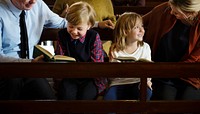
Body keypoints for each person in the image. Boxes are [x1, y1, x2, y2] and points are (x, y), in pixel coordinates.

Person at [0, 0, 68, 99]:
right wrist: (30, 62)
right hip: (5, 71)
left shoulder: (39, 5)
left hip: (30, 70)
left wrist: (95, 24)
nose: (33, 1)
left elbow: (63, 23)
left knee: (49, 102)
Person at [143, 0, 200, 100]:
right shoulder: (167, 8)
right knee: (165, 101)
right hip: (163, 73)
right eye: (171, 9)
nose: (171, 12)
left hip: (191, 75)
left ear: (191, 13)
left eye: (176, 12)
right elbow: (136, 22)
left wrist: (173, 70)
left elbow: (194, 59)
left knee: (188, 102)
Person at [55, 1, 107, 100]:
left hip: (89, 77)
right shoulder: (62, 35)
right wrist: (58, 83)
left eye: (79, 28)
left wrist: (100, 88)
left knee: (86, 97)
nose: (74, 32)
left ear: (89, 26)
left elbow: (97, 64)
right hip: (69, 76)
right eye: (70, 26)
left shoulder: (93, 37)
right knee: (66, 95)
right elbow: (60, 60)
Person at [103, 12, 152, 100]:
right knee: (109, 99)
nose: (142, 30)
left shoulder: (145, 47)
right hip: (118, 83)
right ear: (125, 31)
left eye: (142, 26)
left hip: (138, 82)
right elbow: (113, 74)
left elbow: (148, 68)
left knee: (146, 93)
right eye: (137, 27)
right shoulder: (115, 49)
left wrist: (147, 81)